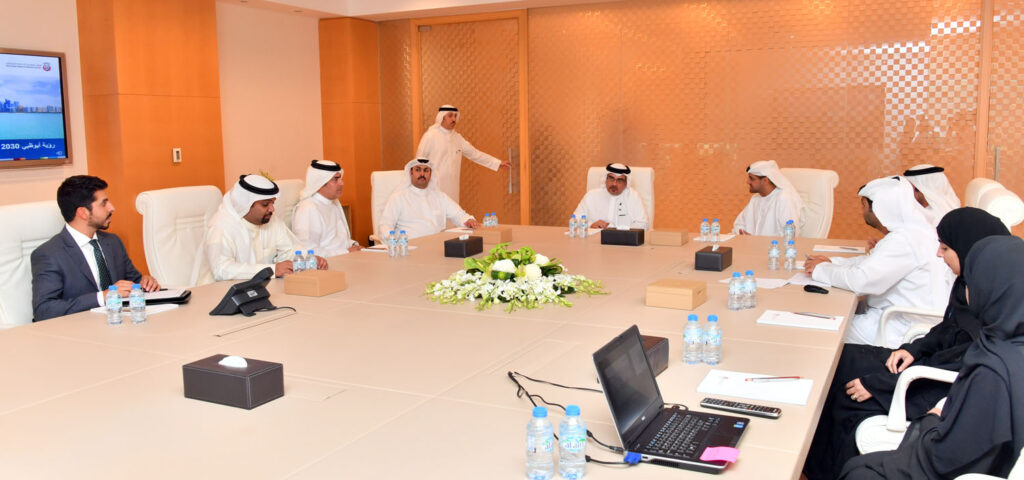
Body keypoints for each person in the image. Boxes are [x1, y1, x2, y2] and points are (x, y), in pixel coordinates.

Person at [803, 207, 1011, 480]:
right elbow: (947, 328)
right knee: (843, 359)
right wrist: (914, 349)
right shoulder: (969, 283)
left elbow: (962, 364)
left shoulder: (993, 301)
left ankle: (832, 472)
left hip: (941, 384)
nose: (938, 255)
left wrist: (880, 385)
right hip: (933, 363)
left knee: (847, 397)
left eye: (945, 248)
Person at [840, 235, 1024, 479]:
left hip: (951, 465)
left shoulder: (993, 367)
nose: (966, 289)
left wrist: (933, 418)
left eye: (972, 282)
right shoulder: (1005, 345)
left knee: (858, 471)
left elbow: (947, 458)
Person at [805, 176, 951, 347]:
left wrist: (821, 269)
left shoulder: (904, 240)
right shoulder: (914, 231)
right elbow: (872, 263)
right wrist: (832, 262)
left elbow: (861, 281)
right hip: (901, 318)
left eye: (863, 205)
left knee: (818, 328)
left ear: (879, 208)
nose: (862, 211)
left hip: (901, 328)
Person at [31, 175, 159, 321]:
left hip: (122, 324)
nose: (112, 207)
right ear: (83, 213)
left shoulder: (113, 242)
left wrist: (145, 282)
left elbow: (134, 280)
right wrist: (102, 297)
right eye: (104, 203)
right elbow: (44, 310)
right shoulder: (48, 254)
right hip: (79, 330)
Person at [202, 174, 326, 282]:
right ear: (245, 205)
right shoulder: (221, 226)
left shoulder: (270, 219)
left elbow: (288, 250)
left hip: (260, 288)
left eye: (273, 203)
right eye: (265, 204)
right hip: (217, 292)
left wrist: (308, 259)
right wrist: (272, 270)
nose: (272, 209)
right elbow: (221, 269)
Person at [414, 104, 511, 202]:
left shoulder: (457, 138)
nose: (454, 119)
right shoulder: (430, 136)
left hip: (452, 188)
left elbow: (475, 154)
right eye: (450, 116)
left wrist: (497, 163)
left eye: (455, 116)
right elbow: (418, 162)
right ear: (442, 117)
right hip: (433, 187)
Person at [378, 158, 480, 239]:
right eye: (418, 170)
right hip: (409, 248)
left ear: (431, 174)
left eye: (426, 170)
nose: (422, 174)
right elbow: (385, 226)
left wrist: (468, 220)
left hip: (437, 245)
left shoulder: (440, 197)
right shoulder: (398, 198)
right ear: (411, 173)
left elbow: (458, 215)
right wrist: (393, 242)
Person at [291, 160, 361, 257]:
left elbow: (337, 240)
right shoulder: (308, 208)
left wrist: (353, 245)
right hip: (329, 263)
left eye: (340, 178)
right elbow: (308, 251)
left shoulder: (333, 202)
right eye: (335, 179)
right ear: (320, 183)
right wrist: (346, 252)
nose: (342, 183)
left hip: (346, 258)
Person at [731, 160, 803, 236]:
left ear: (765, 180)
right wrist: (744, 235)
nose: (748, 182)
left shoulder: (784, 199)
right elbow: (739, 224)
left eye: (751, 178)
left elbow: (791, 235)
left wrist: (758, 241)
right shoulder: (755, 199)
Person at [572, 163, 650, 230]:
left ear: (626, 183)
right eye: (611, 178)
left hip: (623, 241)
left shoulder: (633, 197)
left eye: (619, 180)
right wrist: (590, 225)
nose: (614, 184)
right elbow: (574, 219)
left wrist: (621, 230)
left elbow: (644, 224)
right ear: (605, 179)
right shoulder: (591, 196)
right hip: (595, 240)